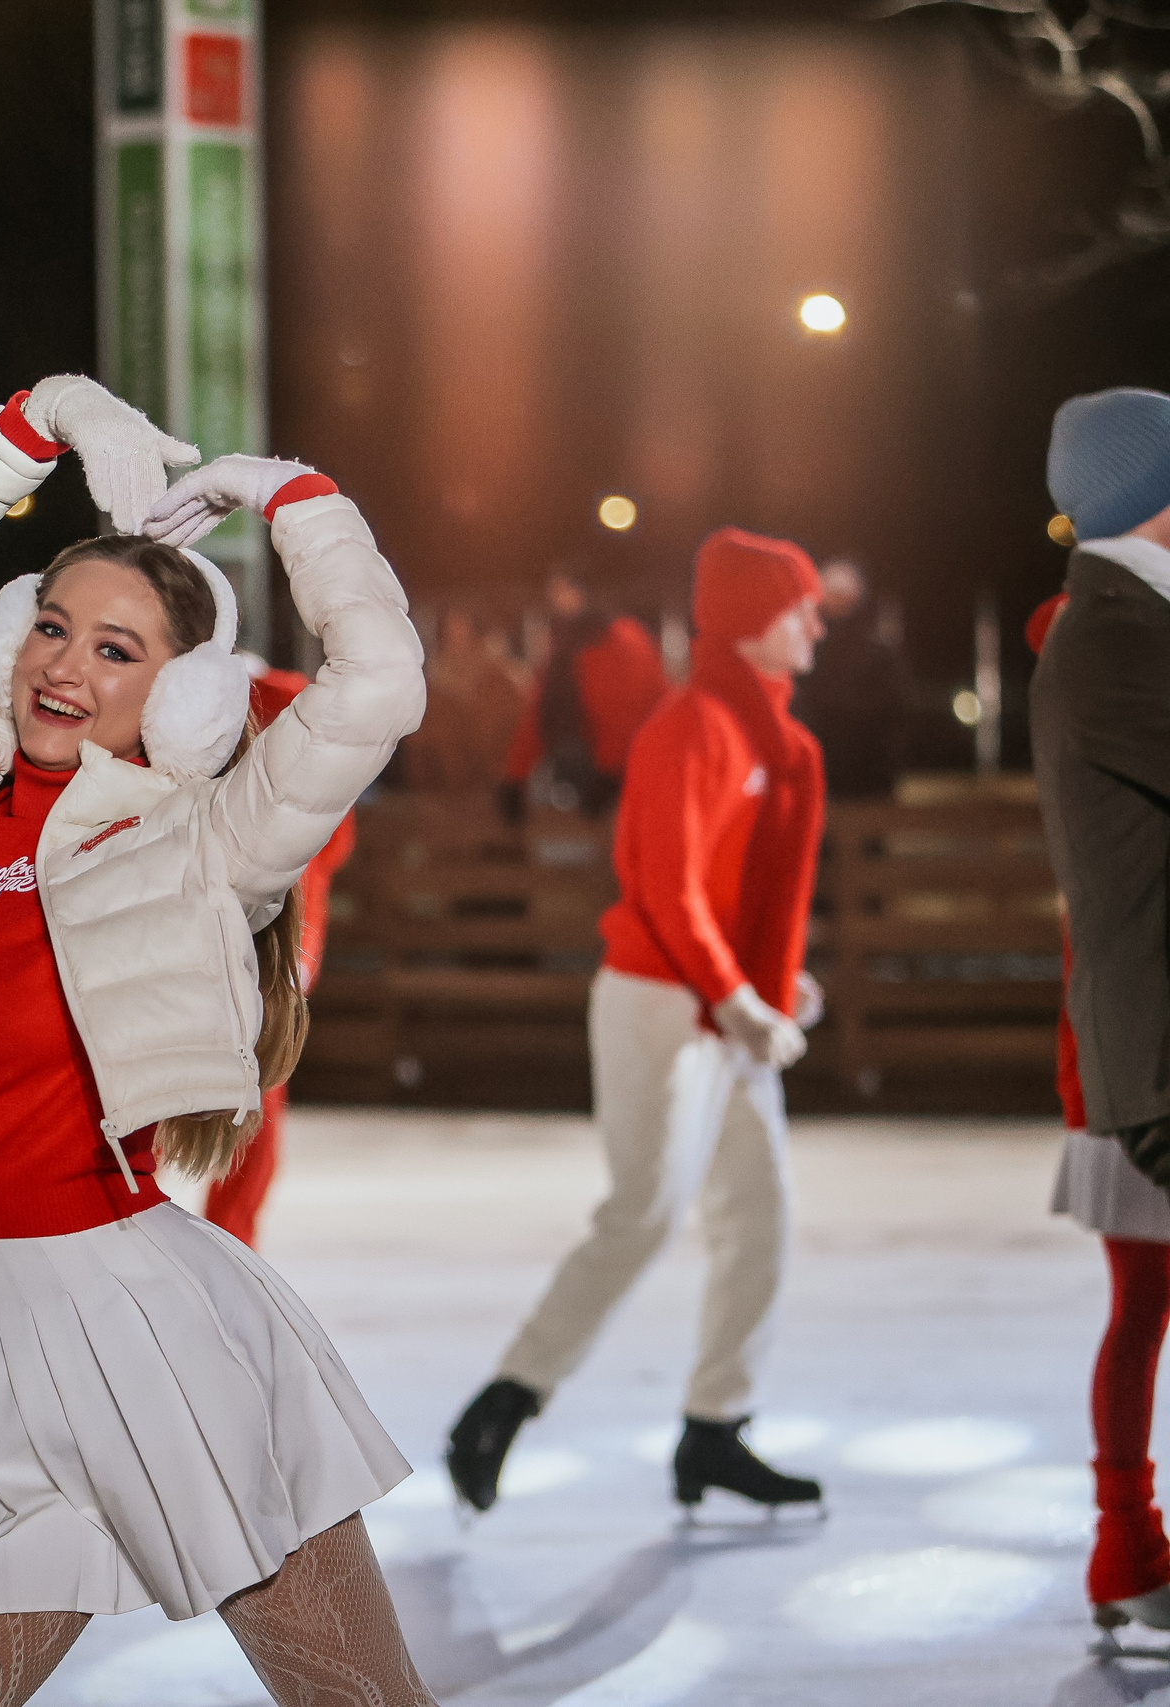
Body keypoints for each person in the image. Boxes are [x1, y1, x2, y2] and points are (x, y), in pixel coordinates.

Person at [0, 374, 432, 1707]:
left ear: (188, 696)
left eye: (117, 647)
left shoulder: (204, 836)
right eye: (51, 625)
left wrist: (295, 499)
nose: (61, 663)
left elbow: (379, 680)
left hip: (155, 1343)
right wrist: (41, 419)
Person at [446, 527, 829, 1518]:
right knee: (642, 1216)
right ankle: (503, 1401)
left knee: (761, 1215)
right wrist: (739, 997)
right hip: (658, 1004)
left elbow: (737, 892)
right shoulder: (693, 725)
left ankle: (714, 1429)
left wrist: (776, 984)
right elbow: (665, 888)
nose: (816, 622)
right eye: (798, 605)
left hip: (726, 1012)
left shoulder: (772, 738)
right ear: (749, 619)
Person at [1033, 388, 1170, 1632]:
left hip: (1135, 1043)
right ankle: (1126, 1545)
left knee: (1143, 1307)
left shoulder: (1123, 625)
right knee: (1141, 1307)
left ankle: (1129, 1552)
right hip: (1150, 1053)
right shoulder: (1116, 635)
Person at [201, 659, 356, 1250]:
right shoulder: (306, 717)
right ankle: (230, 1240)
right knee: (258, 1088)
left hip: (217, 919)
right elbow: (336, 840)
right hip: (279, 938)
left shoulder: (203, 709)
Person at [498, 568, 669, 820]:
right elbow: (541, 712)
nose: (556, 599)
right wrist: (515, 776)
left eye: (565, 590)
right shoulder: (562, 647)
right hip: (578, 769)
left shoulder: (622, 642)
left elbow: (629, 713)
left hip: (623, 775)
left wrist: (610, 773)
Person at [793, 558, 913, 801]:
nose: (839, 605)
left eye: (844, 596)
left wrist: (887, 767)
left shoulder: (881, 656)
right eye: (833, 596)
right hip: (819, 780)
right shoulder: (805, 652)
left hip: (870, 782)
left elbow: (898, 714)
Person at [403, 605, 529, 794]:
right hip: (454, 740)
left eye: (460, 626)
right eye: (450, 627)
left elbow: (520, 685)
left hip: (482, 737)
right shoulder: (441, 666)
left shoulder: (491, 660)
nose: (454, 632)